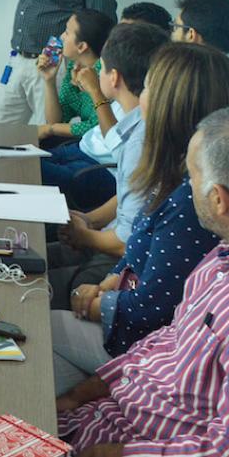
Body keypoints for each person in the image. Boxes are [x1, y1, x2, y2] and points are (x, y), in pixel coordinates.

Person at [57, 108, 229, 457]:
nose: (186, 188)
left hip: (130, 442)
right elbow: (167, 342)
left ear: (218, 199)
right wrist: (82, 393)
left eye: (192, 177)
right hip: (110, 416)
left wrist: (107, 453)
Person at [51, 43, 229, 395]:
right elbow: (138, 253)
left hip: (143, 345)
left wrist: (95, 303)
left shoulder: (190, 201)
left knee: (38, 328)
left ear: (170, 104)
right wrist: (108, 282)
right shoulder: (174, 170)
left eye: (149, 87)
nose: (142, 97)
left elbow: (153, 307)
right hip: (125, 309)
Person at [47, 23, 170, 303]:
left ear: (113, 77)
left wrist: (84, 236)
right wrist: (90, 220)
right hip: (109, 238)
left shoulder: (141, 140)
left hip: (120, 261)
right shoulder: (138, 127)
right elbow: (134, 192)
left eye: (101, 68)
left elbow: (127, 241)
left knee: (30, 281)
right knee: (26, 258)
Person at [37, 10, 115, 147]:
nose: (61, 37)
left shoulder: (106, 75)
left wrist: (52, 129)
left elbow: (96, 127)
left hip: (99, 149)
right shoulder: (74, 67)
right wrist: (49, 80)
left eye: (67, 32)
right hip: (87, 144)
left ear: (81, 46)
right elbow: (56, 119)